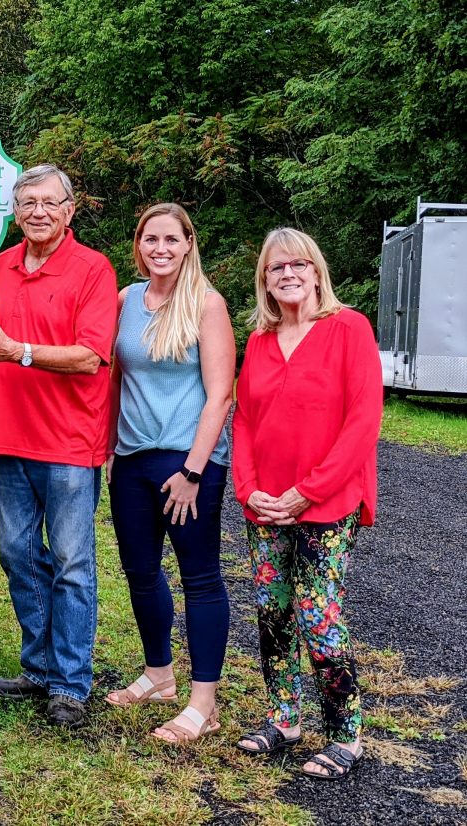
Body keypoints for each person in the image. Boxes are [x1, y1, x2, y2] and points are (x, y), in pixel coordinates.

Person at [0, 164, 118, 729]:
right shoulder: (3, 266)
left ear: (69, 210)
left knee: (72, 563)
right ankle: (39, 666)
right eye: (27, 202)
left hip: (70, 442)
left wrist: (21, 352)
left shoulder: (93, 269)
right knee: (17, 554)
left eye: (49, 202)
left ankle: (70, 683)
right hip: (10, 437)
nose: (38, 212)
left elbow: (90, 356)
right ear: (15, 212)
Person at [232, 228, 381, 780]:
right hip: (266, 504)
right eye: (277, 267)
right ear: (265, 280)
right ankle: (284, 719)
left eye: (298, 264)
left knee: (317, 613)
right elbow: (245, 420)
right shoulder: (261, 341)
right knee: (273, 613)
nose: (288, 273)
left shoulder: (349, 328)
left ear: (317, 272)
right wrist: (249, 490)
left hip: (327, 502)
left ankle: (345, 734)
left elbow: (363, 421)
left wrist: (306, 492)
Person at [103, 204, 235, 743]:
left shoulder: (207, 303)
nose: (160, 248)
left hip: (188, 461)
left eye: (171, 239)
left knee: (199, 577)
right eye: (150, 239)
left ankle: (203, 703)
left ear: (188, 244)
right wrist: (109, 448)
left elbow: (220, 395)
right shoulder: (125, 300)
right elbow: (114, 379)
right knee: (140, 571)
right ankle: (158, 674)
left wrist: (192, 472)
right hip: (132, 459)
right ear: (138, 244)